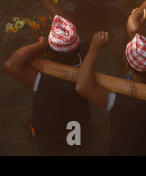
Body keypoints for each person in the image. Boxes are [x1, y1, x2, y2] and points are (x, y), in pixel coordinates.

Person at [3, 15, 89, 153]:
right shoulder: (86, 58)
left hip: (49, 135)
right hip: (77, 127)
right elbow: (67, 23)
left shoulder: (45, 80)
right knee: (77, 147)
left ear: (49, 52)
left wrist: (41, 45)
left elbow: (11, 65)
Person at [75, 33, 146, 155]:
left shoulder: (121, 100)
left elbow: (82, 86)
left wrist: (94, 48)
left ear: (127, 64)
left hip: (125, 149)